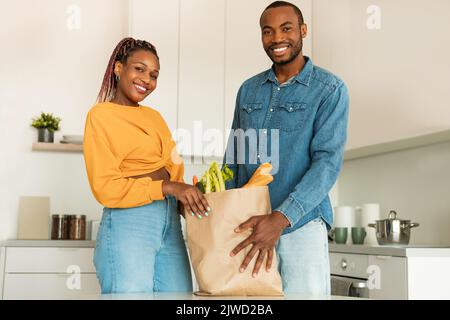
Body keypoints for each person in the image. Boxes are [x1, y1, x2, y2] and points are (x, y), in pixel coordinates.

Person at [224, 1, 349, 294]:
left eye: (286, 28)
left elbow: (327, 163)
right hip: (250, 226)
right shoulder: (248, 90)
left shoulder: (330, 89)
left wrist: (280, 219)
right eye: (268, 31)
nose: (277, 38)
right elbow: (234, 158)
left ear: (303, 31)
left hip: (300, 226)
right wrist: (221, 210)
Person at [83, 37, 210, 294]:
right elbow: (106, 187)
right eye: (139, 69)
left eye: (153, 75)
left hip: (169, 220)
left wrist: (189, 199)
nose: (147, 80)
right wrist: (168, 186)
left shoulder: (154, 117)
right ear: (119, 68)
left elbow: (173, 166)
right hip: (129, 220)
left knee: (179, 296)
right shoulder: (101, 116)